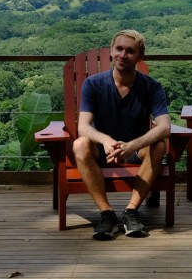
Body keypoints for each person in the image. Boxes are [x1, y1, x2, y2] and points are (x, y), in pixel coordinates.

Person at [72, 29, 171, 240]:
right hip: (102, 150)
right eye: (119, 49)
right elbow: (83, 127)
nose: (123, 55)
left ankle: (131, 211)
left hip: (136, 149)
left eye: (130, 51)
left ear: (140, 56)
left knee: (160, 145)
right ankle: (106, 213)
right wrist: (106, 141)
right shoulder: (93, 84)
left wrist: (131, 146)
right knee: (80, 144)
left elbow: (164, 127)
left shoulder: (152, 87)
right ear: (111, 51)